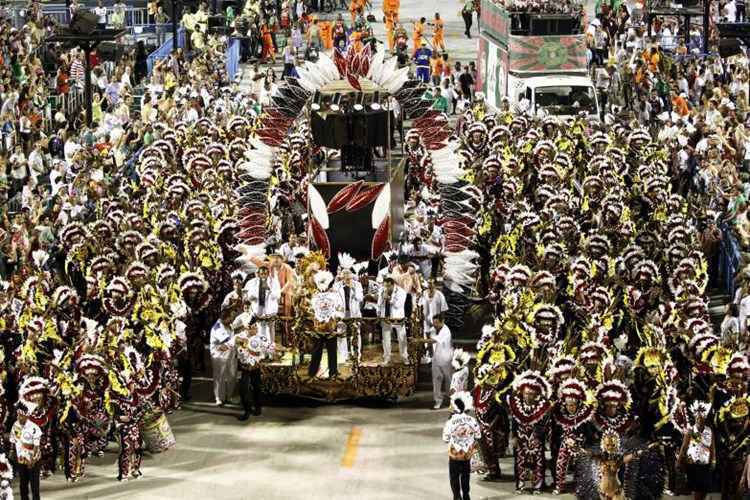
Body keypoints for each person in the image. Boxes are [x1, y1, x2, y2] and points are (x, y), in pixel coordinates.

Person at [234, 313, 273, 421]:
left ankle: (258, 408)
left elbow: (271, 346)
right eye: (255, 327)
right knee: (243, 389)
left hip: (255, 367)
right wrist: (246, 340)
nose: (257, 328)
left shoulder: (260, 337)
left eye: (257, 326)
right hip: (244, 368)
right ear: (249, 328)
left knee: (257, 387)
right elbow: (238, 342)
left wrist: (284, 349)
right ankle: (247, 410)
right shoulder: (241, 337)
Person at [442, 392, 481, 500]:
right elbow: (478, 435)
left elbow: (445, 439)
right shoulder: (472, 420)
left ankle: (456, 496)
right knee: (465, 475)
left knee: (454, 475)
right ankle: (466, 495)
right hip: (467, 453)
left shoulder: (450, 422)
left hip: (455, 452)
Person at [677, 402, 715, 500]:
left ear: (705, 418)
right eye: (697, 417)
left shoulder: (709, 431)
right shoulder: (690, 431)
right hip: (693, 464)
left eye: (701, 417)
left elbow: (712, 447)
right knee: (698, 489)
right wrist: (679, 461)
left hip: (705, 464)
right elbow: (684, 447)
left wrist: (713, 461)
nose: (699, 419)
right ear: (695, 418)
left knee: (705, 488)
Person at [243, 264, 281, 343]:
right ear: (259, 274)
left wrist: (269, 289)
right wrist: (253, 296)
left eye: (265, 274)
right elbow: (249, 296)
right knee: (261, 329)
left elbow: (277, 295)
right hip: (258, 310)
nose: (263, 276)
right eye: (261, 274)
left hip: (270, 310)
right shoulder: (254, 282)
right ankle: (263, 347)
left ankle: (272, 346)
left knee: (271, 327)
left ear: (268, 274)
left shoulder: (274, 282)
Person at [10, 407, 41, 500]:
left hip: (33, 460)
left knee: (34, 486)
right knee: (23, 485)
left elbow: (36, 446)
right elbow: (13, 440)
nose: (18, 417)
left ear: (27, 416)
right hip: (21, 459)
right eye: (18, 415)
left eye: (21, 416)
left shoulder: (34, 427)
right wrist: (12, 452)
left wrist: (33, 460)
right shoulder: (15, 425)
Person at [377, 276, 408, 365]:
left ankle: (404, 357)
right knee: (386, 339)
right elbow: (379, 303)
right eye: (385, 286)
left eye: (388, 286)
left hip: (398, 318)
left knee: (402, 338)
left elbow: (399, 305)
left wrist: (389, 299)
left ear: (393, 285)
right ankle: (387, 357)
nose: (386, 288)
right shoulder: (382, 290)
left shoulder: (401, 292)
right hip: (385, 318)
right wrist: (378, 313)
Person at [209, 309, 237, 406]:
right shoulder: (217, 328)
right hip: (219, 356)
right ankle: (219, 398)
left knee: (232, 376)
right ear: (225, 317)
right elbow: (228, 341)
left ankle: (229, 396)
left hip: (231, 355)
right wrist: (240, 338)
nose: (232, 319)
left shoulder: (229, 325)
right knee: (219, 377)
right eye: (231, 317)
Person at [427, 314, 453, 409]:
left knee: (448, 380)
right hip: (436, 358)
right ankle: (438, 401)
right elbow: (429, 337)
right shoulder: (433, 329)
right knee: (436, 380)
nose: (435, 325)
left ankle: (450, 399)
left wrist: (419, 341)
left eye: (437, 323)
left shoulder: (446, 331)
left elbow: (433, 341)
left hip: (446, 358)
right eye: (434, 323)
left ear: (443, 321)